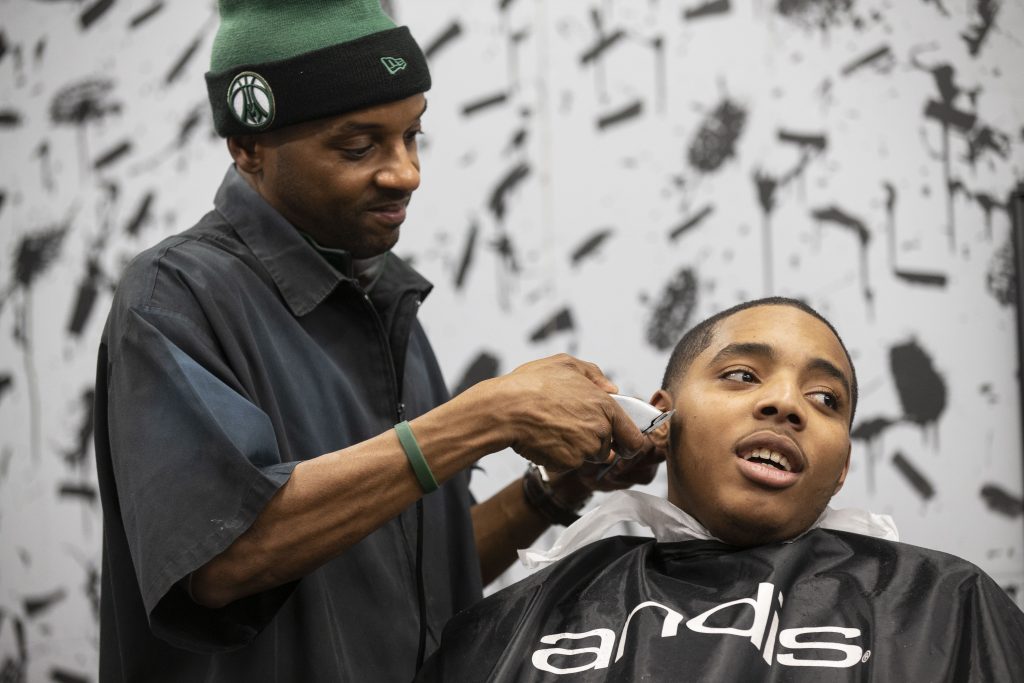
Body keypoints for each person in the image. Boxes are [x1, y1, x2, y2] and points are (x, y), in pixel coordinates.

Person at [92, 2, 662, 681]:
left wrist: (555, 491)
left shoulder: (384, 297)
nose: (406, 172)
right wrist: (488, 415)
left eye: (412, 135)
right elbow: (222, 559)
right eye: (359, 147)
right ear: (248, 147)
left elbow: (421, 579)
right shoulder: (175, 296)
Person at [416, 297, 1024, 682]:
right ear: (661, 421)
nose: (786, 403)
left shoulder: (945, 604)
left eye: (825, 399)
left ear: (842, 466)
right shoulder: (521, 619)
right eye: (741, 375)